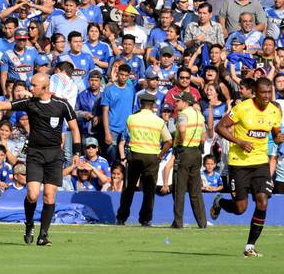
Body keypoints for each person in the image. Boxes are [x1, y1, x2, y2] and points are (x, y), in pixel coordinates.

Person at [0, 73, 81, 246]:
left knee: (49, 197)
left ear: (45, 87)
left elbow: (74, 128)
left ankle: (43, 235)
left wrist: (77, 153)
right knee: (33, 194)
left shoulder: (62, 104)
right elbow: (4, 104)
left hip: (54, 155)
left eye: (34, 85)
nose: (30, 88)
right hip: (35, 154)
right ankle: (29, 225)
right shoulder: (30, 103)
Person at [213, 77, 284, 257]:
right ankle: (220, 202)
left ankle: (250, 246)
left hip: (260, 162)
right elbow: (219, 127)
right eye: (263, 93)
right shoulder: (242, 108)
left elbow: (275, 133)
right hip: (239, 163)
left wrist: (278, 138)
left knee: (262, 201)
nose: (267, 96)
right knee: (240, 208)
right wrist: (240, 141)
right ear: (255, 92)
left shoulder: (275, 111)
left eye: (269, 92)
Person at [116, 93, 173, 226]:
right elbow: (169, 141)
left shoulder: (132, 118)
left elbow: (128, 132)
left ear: (141, 104)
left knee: (129, 188)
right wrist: (160, 154)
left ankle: (121, 217)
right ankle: (145, 219)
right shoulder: (159, 121)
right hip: (152, 157)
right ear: (153, 105)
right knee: (149, 190)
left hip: (135, 155)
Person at [171, 91, 207, 229]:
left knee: (180, 189)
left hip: (184, 152)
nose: (176, 103)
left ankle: (178, 222)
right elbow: (204, 134)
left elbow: (182, 129)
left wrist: (180, 143)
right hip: (196, 152)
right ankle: (202, 222)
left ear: (185, 102)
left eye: (178, 101)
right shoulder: (199, 114)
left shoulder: (183, 114)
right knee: (195, 190)